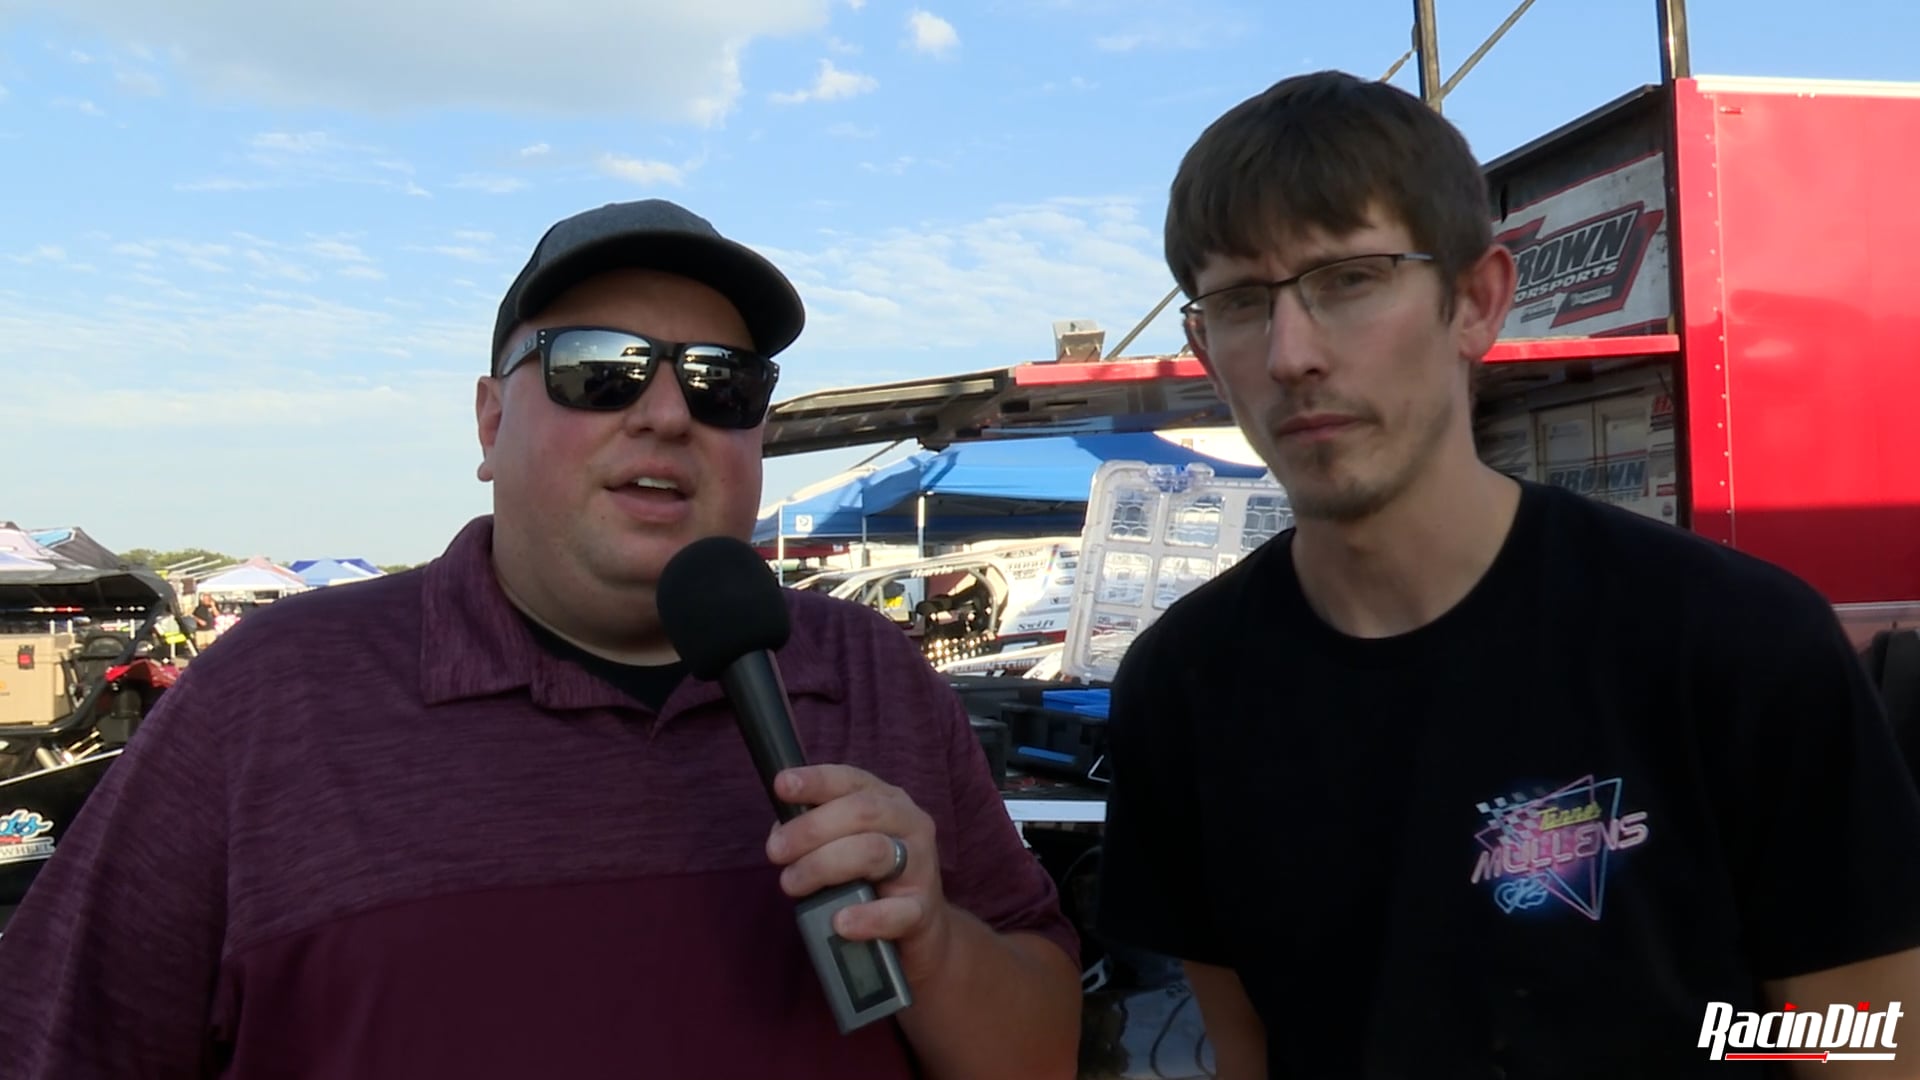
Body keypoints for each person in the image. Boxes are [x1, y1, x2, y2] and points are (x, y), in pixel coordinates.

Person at [0, 199, 1081, 1079]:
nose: (664, 412)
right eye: (598, 367)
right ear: (488, 421)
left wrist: (932, 939)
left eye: (721, 382)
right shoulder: (268, 700)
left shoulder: (874, 674)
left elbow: (1041, 1051)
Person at [1091, 70, 1920, 1080]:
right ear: (1204, 349)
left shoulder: (1731, 643)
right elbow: (1251, 1048)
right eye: (1240, 300)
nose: (1291, 351)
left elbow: (1866, 1032)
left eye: (1349, 279)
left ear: (1476, 302)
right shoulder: (1182, 688)